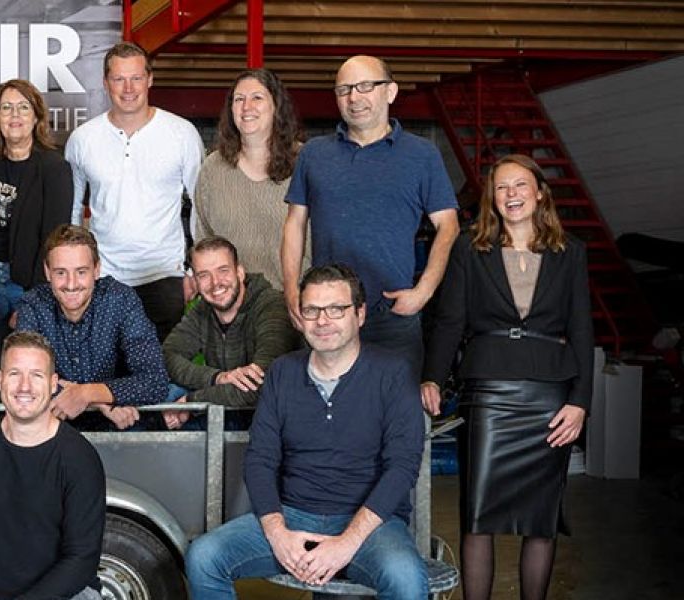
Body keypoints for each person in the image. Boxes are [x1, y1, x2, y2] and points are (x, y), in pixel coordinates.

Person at [185, 264, 427, 600]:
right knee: (204, 556)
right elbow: (260, 459)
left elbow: (402, 467)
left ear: (359, 314)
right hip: (293, 516)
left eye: (336, 309)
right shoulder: (283, 373)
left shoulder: (393, 373)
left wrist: (347, 543)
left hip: (371, 525)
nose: (322, 321)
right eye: (311, 310)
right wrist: (277, 533)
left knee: (405, 577)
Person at [421, 155, 591, 600]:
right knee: (479, 517)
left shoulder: (571, 252)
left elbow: (581, 329)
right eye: (501, 187)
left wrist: (580, 401)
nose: (511, 194)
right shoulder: (469, 249)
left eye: (520, 185)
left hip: (549, 397)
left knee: (541, 520)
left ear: (539, 193)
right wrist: (432, 377)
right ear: (492, 198)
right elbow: (450, 321)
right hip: (488, 392)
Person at [281, 55, 460, 371]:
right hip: (326, 315)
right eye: (344, 89)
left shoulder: (422, 155)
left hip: (393, 314)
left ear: (390, 92)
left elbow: (448, 225)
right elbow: (294, 224)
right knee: (322, 400)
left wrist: (424, 291)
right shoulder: (314, 154)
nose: (354, 97)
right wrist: (292, 289)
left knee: (394, 402)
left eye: (365, 86)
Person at [0, 330, 105, 600]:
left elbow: (81, 558)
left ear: (53, 384)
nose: (24, 387)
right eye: (15, 374)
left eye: (36, 375)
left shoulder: (79, 458)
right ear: (0, 380)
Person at [66, 42, 205, 341]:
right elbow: (73, 210)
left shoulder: (182, 134)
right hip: (104, 275)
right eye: (119, 79)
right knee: (107, 365)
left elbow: (201, 205)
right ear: (106, 83)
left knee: (163, 365)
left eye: (136, 78)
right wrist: (78, 270)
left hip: (164, 275)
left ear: (149, 79)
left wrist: (194, 270)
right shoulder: (82, 139)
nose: (128, 88)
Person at [15, 225, 171, 430]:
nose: (71, 284)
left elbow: (155, 381)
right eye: (61, 273)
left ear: (96, 270)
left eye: (81, 272)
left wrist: (87, 393)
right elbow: (25, 378)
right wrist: (99, 403)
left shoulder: (121, 300)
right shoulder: (33, 305)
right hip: (57, 427)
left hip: (119, 428)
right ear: (47, 272)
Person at [0, 79, 74, 346]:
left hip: (28, 285)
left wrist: (35, 300)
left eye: (23, 107)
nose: (15, 115)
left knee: (27, 357)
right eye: (7, 108)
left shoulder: (54, 167)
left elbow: (55, 241)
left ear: (37, 116)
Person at [160, 236, 296, 430]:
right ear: (195, 281)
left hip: (275, 422)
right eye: (204, 275)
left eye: (223, 270)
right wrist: (217, 377)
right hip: (227, 410)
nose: (215, 283)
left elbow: (263, 383)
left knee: (177, 403)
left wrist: (192, 402)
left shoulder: (271, 306)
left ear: (239, 272)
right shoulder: (202, 311)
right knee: (165, 393)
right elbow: (167, 356)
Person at [193, 69, 306, 288]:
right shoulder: (212, 168)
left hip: (293, 297)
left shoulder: (305, 162)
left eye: (257, 98)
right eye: (239, 99)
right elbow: (204, 237)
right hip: (233, 300)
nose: (247, 107)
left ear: (276, 106)